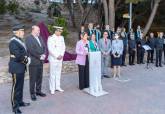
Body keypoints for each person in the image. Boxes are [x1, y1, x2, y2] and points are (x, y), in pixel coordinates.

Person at [9, 24, 30, 114]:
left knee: (20, 86)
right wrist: (26, 60)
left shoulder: (19, 40)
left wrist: (26, 58)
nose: (23, 33)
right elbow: (18, 55)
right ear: (17, 32)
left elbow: (24, 52)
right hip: (16, 67)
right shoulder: (13, 42)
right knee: (16, 87)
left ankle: (20, 102)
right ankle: (15, 107)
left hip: (21, 67)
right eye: (22, 31)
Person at [25, 25, 46, 101]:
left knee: (39, 77)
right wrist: (39, 56)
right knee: (33, 79)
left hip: (41, 61)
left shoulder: (40, 37)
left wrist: (44, 54)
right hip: (33, 62)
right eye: (38, 30)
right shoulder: (28, 38)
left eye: (39, 30)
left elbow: (44, 47)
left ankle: (38, 91)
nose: (39, 32)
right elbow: (31, 50)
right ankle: (32, 93)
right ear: (33, 30)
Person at [47, 26, 66, 94]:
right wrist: (56, 56)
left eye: (61, 31)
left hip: (60, 58)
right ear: (56, 31)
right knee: (52, 74)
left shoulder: (62, 38)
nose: (60, 32)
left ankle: (57, 86)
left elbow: (63, 47)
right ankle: (52, 88)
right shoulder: (51, 38)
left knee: (58, 73)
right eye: (59, 31)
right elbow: (50, 49)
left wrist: (61, 55)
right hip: (53, 58)